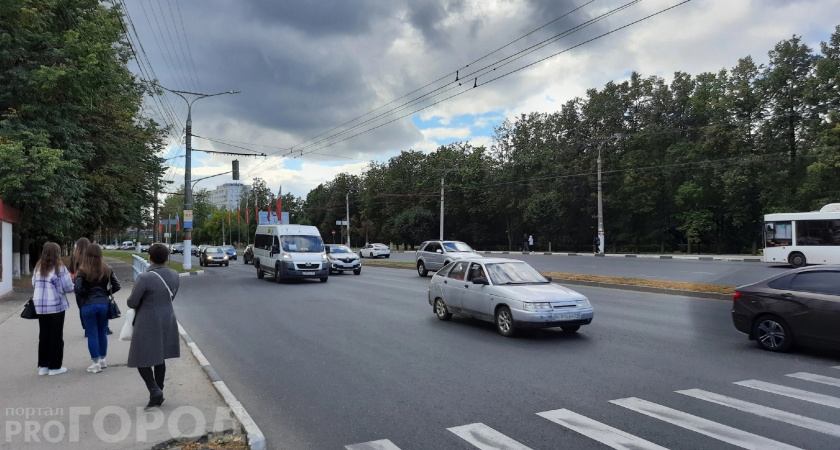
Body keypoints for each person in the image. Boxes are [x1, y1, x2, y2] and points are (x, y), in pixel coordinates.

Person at [127, 243, 180, 409]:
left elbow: (132, 302)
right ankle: (159, 391)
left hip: (147, 321)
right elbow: (171, 296)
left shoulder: (145, 278)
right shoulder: (175, 274)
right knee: (160, 357)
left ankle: (154, 390)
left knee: (140, 357)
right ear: (166, 258)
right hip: (167, 319)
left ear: (149, 258)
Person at [74, 244, 120, 374]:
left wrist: (85, 296)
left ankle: (95, 363)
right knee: (102, 332)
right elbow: (117, 285)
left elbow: (77, 288)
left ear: (86, 254)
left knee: (92, 334)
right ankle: (103, 360)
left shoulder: (82, 269)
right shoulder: (107, 268)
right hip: (104, 305)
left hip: (88, 305)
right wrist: (105, 294)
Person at [32, 242, 74, 376]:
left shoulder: (38, 266)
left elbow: (34, 283)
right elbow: (67, 287)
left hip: (40, 305)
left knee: (43, 335)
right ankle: (55, 366)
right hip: (55, 305)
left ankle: (43, 366)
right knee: (56, 336)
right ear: (57, 253)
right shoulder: (59, 268)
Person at [69, 237, 90, 334]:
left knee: (81, 306)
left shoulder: (74, 256)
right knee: (90, 304)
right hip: (90, 283)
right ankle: (92, 326)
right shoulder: (90, 256)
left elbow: (71, 270)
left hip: (78, 284)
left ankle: (86, 327)